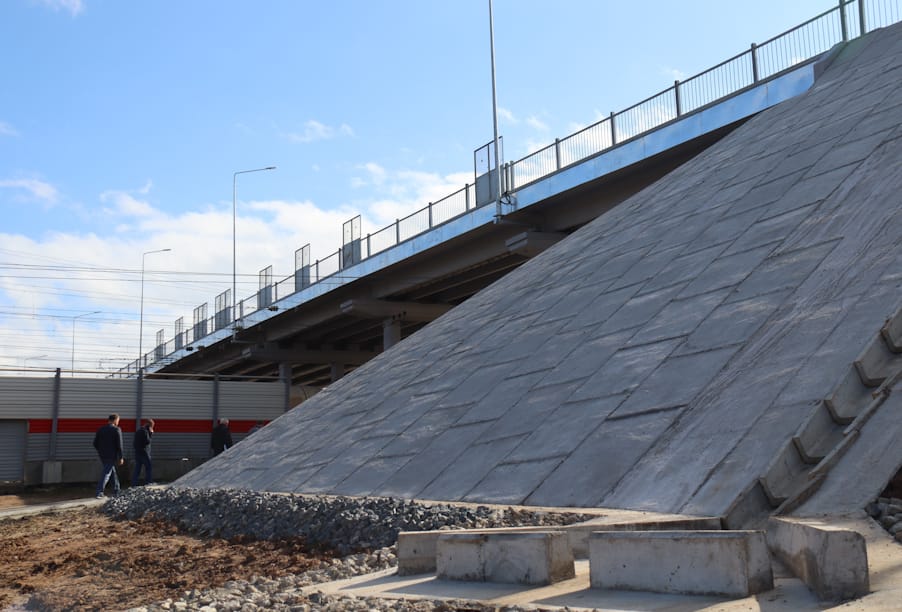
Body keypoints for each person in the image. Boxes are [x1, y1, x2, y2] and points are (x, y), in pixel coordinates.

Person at [93, 413, 123, 498]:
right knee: (107, 473)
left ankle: (117, 490)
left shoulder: (101, 429)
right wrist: (121, 457)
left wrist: (100, 451)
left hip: (102, 455)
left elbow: (95, 443)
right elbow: (119, 445)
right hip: (111, 455)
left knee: (111, 471)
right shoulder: (116, 429)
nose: (118, 422)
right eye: (118, 421)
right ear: (115, 420)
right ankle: (99, 491)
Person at [132, 418, 155, 485]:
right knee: (148, 467)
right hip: (145, 453)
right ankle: (148, 482)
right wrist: (151, 433)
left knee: (137, 469)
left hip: (137, 452)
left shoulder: (138, 431)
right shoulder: (145, 431)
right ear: (150, 425)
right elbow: (147, 441)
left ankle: (134, 483)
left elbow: (135, 443)